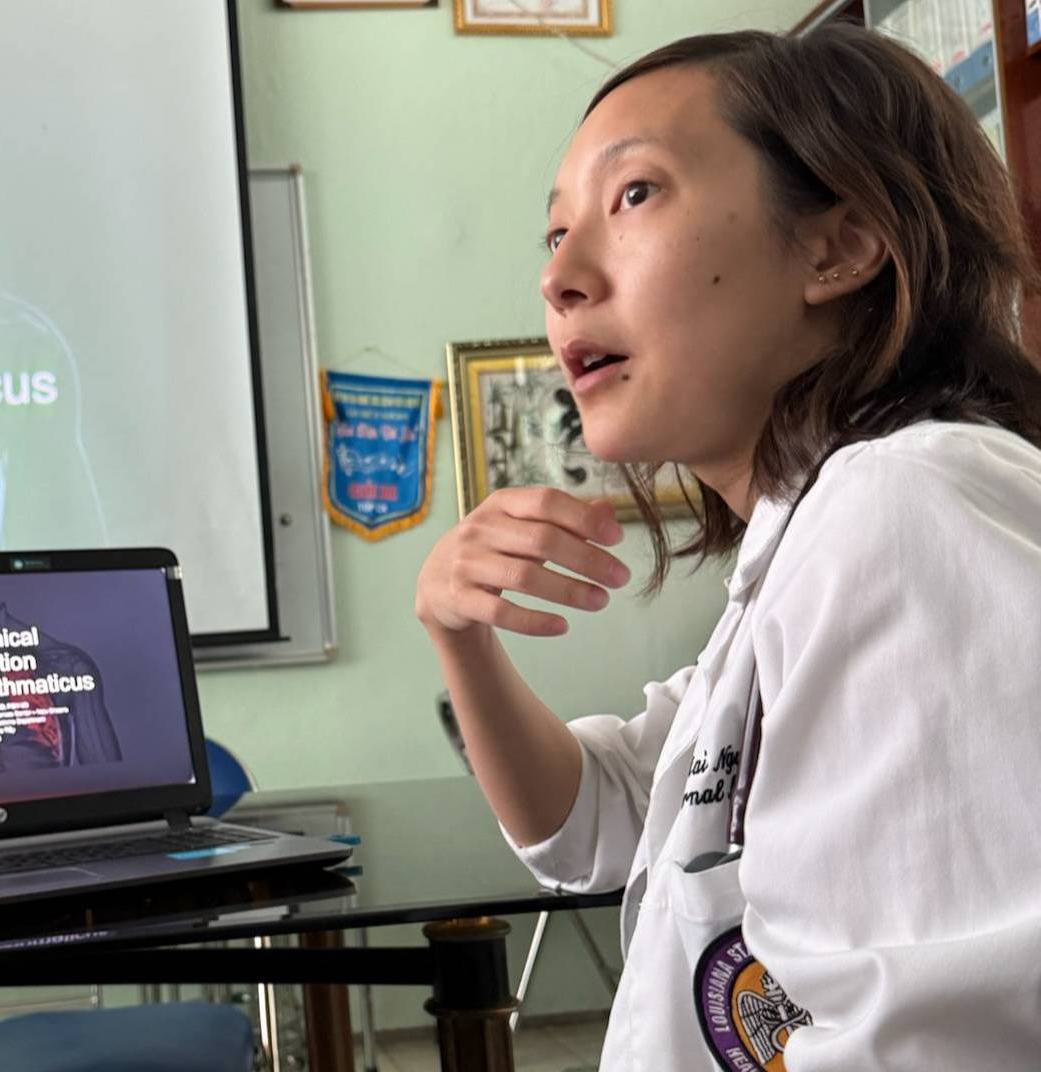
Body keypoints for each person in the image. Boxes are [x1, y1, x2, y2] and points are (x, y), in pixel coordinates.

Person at [415, 25, 1041, 1071]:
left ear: (838, 246)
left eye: (634, 196)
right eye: (554, 233)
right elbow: (593, 821)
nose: (560, 277)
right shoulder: (815, 536)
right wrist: (457, 633)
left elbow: (939, 1042)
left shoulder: (904, 502)